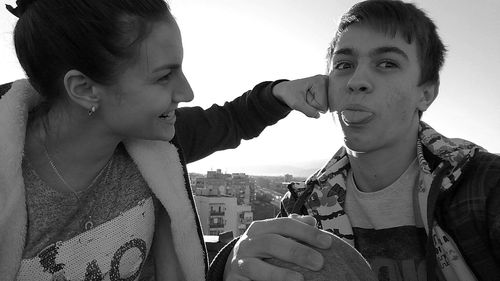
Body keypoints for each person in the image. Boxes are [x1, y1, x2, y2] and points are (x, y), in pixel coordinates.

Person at [0, 0, 330, 280]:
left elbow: (229, 120)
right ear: (85, 89)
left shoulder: (155, 144)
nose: (186, 93)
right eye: (163, 76)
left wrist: (281, 94)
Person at [209, 0, 500, 280]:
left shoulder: (484, 186)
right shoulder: (302, 208)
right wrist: (231, 267)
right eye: (344, 65)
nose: (356, 81)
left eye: (387, 64)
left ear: (426, 93)